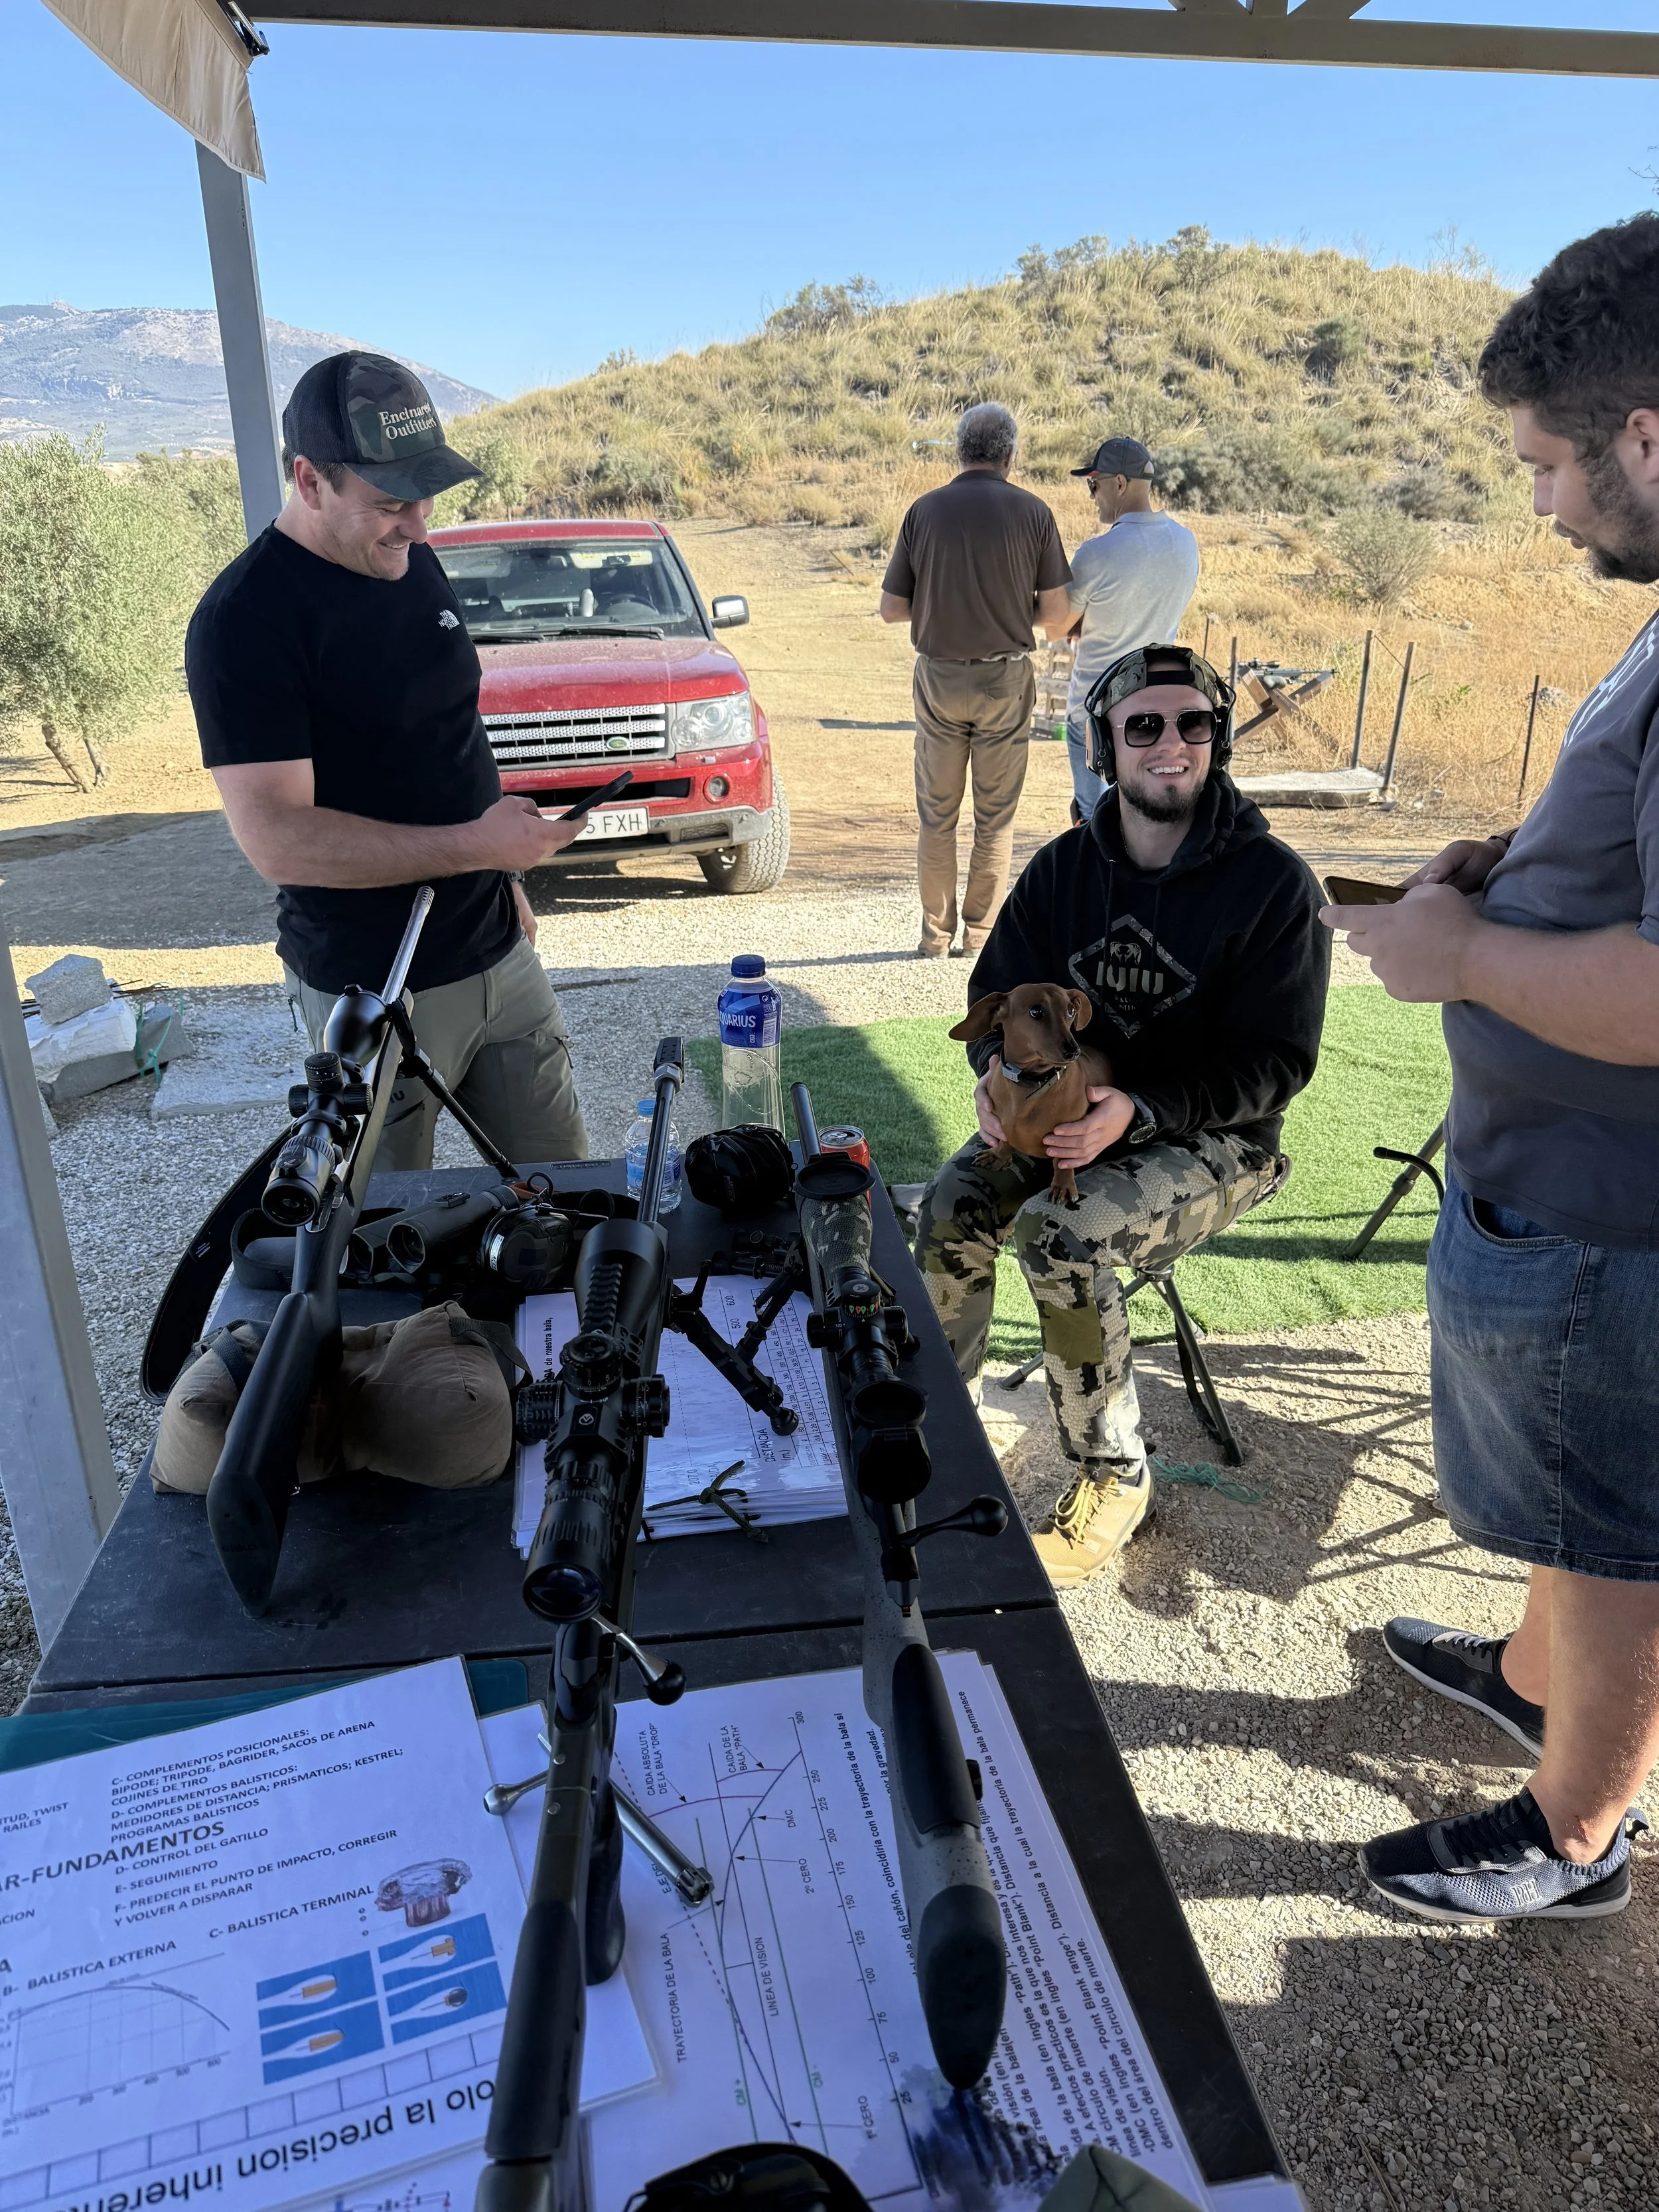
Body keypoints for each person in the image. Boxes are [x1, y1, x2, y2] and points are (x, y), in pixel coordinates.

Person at [1325, 215, 1659, 1926]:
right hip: (1566, 1192)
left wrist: (1462, 956)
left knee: (1618, 1536)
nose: (1541, 505)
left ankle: (1575, 1836)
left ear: (1645, 436)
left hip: (1625, 1224)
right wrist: (1514, 859)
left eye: (1549, 464)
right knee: (1572, 1501)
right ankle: (1539, 1675)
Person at [916, 645, 1328, 1584]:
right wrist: (992, 1075)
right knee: (950, 1203)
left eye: (1195, 724)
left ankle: (1113, 1470)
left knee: (1065, 1232)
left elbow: (1278, 1064)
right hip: (1067, 1112)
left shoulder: (1273, 884)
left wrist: (1138, 1110)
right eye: (1144, 725)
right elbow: (993, 994)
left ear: (1216, 743)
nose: (1172, 744)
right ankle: (949, 1417)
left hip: (1218, 1139)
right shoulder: (1064, 871)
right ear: (1105, 745)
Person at [186, 351, 589, 1171]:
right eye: (390, 503)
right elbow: (279, 840)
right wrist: (482, 848)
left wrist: (504, 875)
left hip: (497, 954)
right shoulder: (245, 623)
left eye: (425, 497)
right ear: (308, 481)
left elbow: (448, 731)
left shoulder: (408, 560)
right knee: (386, 1246)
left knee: (567, 1199)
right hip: (371, 990)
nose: (419, 525)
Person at [881, 404, 1074, 960]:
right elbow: (1058, 615)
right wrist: (1011, 610)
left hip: (938, 678)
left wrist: (941, 604)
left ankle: (934, 937)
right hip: (1006, 679)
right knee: (996, 817)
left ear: (960, 450)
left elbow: (892, 609)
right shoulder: (1034, 513)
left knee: (936, 816)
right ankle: (981, 936)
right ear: (1010, 455)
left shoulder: (924, 511)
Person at [1062, 439, 1200, 824]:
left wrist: (1081, 620)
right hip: (1153, 706)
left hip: (1094, 709)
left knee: (1094, 827)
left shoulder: (1096, 552)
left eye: (1094, 485)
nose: (1093, 497)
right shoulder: (1185, 544)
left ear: (1119, 483)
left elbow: (1058, 624)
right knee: (1145, 824)